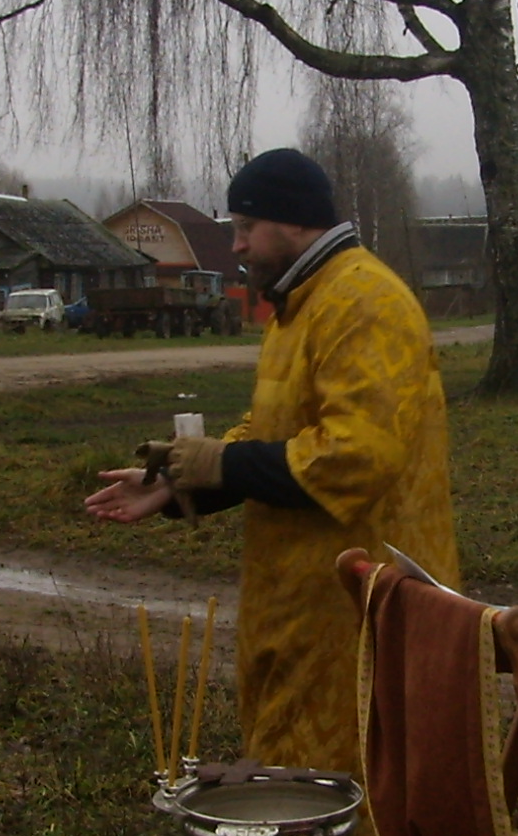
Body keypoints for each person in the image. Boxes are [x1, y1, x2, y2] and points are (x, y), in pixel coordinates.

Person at [85, 147, 459, 776]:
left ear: (294, 221)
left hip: (359, 606)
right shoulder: (299, 305)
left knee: (351, 788)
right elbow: (272, 432)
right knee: (291, 780)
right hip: (302, 604)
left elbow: (355, 456)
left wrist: (218, 465)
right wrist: (179, 480)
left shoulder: (363, 302)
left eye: (245, 228)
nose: (236, 245)